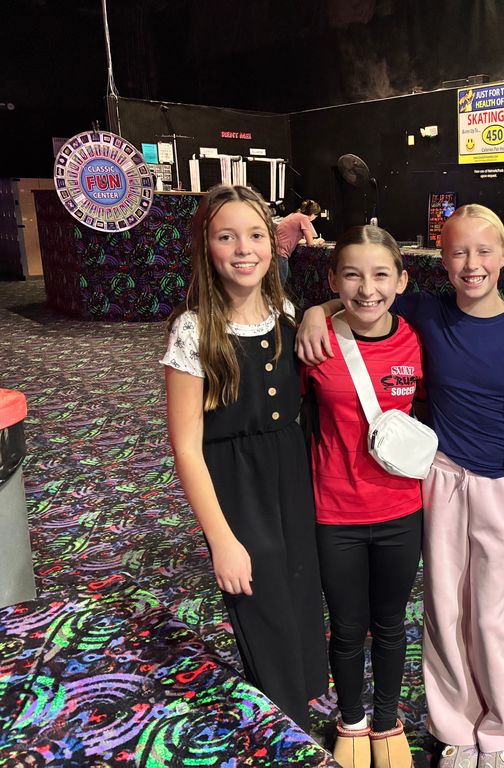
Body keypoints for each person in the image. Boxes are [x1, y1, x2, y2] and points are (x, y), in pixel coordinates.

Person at [296, 205, 504, 768]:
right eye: (457, 252)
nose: (472, 264)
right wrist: (315, 310)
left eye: (484, 251)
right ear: (437, 261)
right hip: (438, 480)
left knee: (493, 614)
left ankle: (500, 729)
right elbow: (360, 292)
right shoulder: (426, 313)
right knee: (441, 609)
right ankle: (452, 727)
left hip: (501, 481)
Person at [162, 185, 327, 731]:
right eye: (225, 236)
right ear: (205, 247)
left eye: (255, 235)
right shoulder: (194, 331)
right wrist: (222, 539)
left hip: (293, 476)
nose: (242, 249)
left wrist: (317, 306)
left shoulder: (284, 310)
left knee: (302, 594)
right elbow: (186, 446)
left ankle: (297, 715)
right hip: (237, 489)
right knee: (263, 609)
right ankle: (282, 730)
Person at [302, 225, 424, 768]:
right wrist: (313, 311)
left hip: (402, 509)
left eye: (380, 275)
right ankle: (350, 718)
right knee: (348, 626)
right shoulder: (315, 341)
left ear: (401, 279)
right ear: (333, 279)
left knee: (392, 623)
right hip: (335, 512)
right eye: (351, 275)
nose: (367, 289)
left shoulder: (417, 339)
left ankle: (386, 717)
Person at [276, 199, 324, 285]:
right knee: (280, 286)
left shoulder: (293, 215)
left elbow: (295, 238)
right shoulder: (304, 219)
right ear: (313, 214)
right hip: (281, 254)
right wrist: (319, 241)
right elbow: (310, 243)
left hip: (274, 252)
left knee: (287, 283)